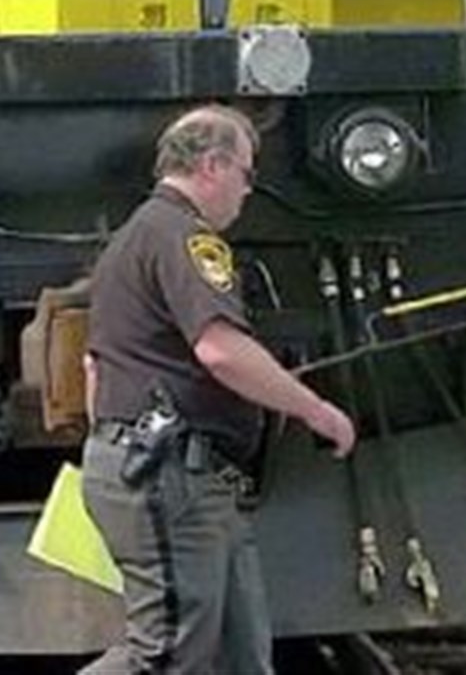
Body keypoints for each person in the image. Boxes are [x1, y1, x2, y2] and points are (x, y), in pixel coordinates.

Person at [80, 104, 356, 674]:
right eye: (247, 174)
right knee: (164, 655)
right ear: (213, 165)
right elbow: (221, 350)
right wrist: (315, 409)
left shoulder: (131, 239)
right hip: (169, 474)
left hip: (172, 470)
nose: (247, 191)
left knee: (239, 654)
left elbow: (93, 367)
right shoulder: (184, 237)